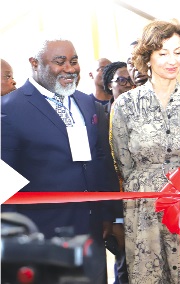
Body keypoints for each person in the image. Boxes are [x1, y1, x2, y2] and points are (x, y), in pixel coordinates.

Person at [110, 20, 180, 283]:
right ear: (147, 57)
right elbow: (123, 162)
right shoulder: (126, 105)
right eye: (162, 53)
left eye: (177, 52)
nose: (171, 60)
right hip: (144, 207)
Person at [1, 37, 120, 283]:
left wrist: (108, 213)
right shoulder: (10, 109)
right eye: (60, 61)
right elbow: (4, 180)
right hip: (41, 236)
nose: (70, 68)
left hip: (92, 229)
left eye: (74, 61)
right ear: (34, 63)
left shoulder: (86, 102)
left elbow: (100, 158)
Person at [101, 61, 134, 284]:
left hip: (144, 201)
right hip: (116, 205)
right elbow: (103, 169)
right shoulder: (99, 117)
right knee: (123, 265)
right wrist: (113, 218)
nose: (127, 85)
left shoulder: (142, 115)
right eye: (121, 80)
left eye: (130, 80)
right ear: (109, 85)